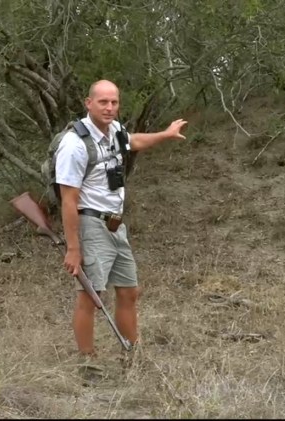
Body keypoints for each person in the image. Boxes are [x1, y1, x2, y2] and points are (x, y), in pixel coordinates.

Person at [55, 79, 187, 356]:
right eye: (103, 102)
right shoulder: (74, 144)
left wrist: (165, 134)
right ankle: (87, 361)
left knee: (129, 291)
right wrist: (73, 248)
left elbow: (133, 141)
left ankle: (133, 353)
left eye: (114, 102)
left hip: (116, 225)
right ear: (88, 103)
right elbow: (68, 200)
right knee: (90, 296)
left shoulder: (114, 130)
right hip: (91, 224)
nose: (110, 107)